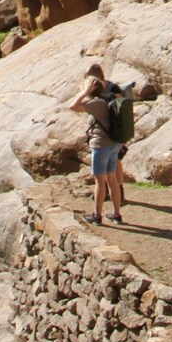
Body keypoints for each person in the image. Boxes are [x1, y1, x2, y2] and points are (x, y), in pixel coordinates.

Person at [70, 63, 131, 224]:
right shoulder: (111, 97)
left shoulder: (96, 103)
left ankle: (97, 215)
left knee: (99, 181)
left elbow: (73, 106)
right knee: (111, 179)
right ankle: (116, 214)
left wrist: (84, 92)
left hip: (100, 145)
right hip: (114, 144)